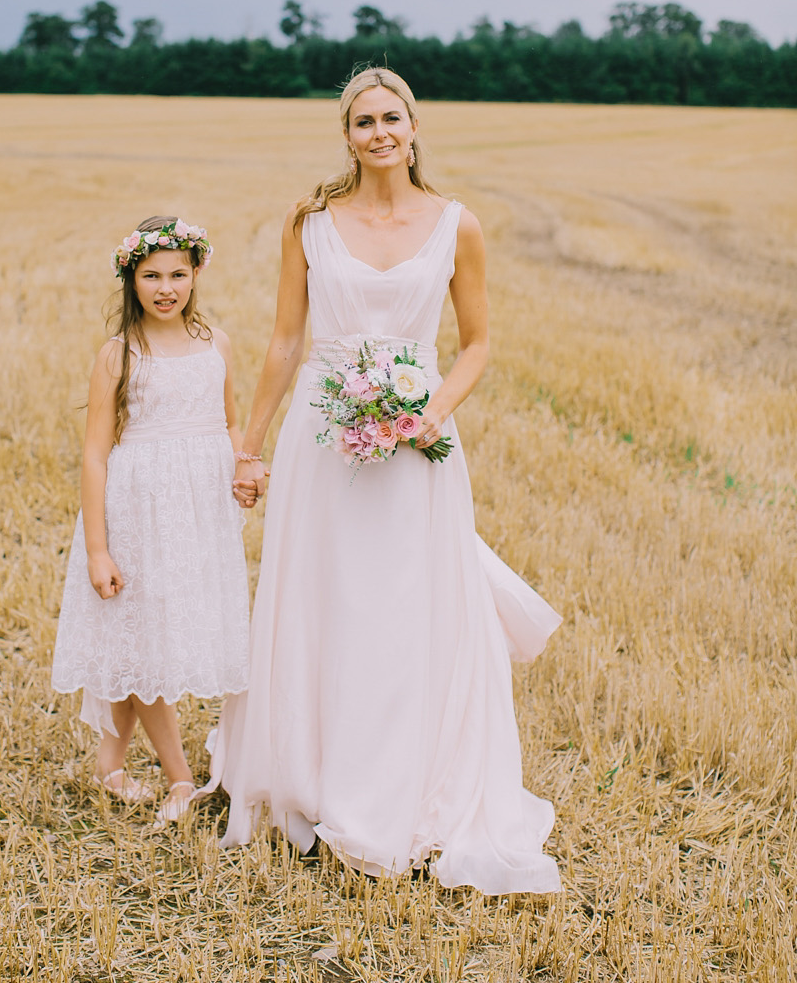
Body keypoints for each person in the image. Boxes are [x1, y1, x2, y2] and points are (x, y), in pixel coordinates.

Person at [212, 68, 561, 891]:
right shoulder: (310, 224)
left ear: (413, 126)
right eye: (363, 120)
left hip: (419, 443)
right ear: (346, 134)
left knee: (406, 604)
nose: (378, 131)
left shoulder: (456, 225)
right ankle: (316, 777)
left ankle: (401, 788)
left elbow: (476, 343)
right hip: (320, 438)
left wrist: (431, 412)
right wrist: (251, 447)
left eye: (391, 117)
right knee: (322, 596)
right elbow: (285, 343)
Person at [52, 215, 250, 826]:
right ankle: (182, 780)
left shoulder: (216, 342)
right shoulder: (119, 354)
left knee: (149, 638)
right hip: (140, 509)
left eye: (177, 274)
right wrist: (97, 549)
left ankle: (110, 759)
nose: (166, 287)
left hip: (200, 513)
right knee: (144, 639)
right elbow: (94, 452)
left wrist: (244, 467)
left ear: (196, 274)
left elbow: (230, 421)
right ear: (130, 279)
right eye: (151, 275)